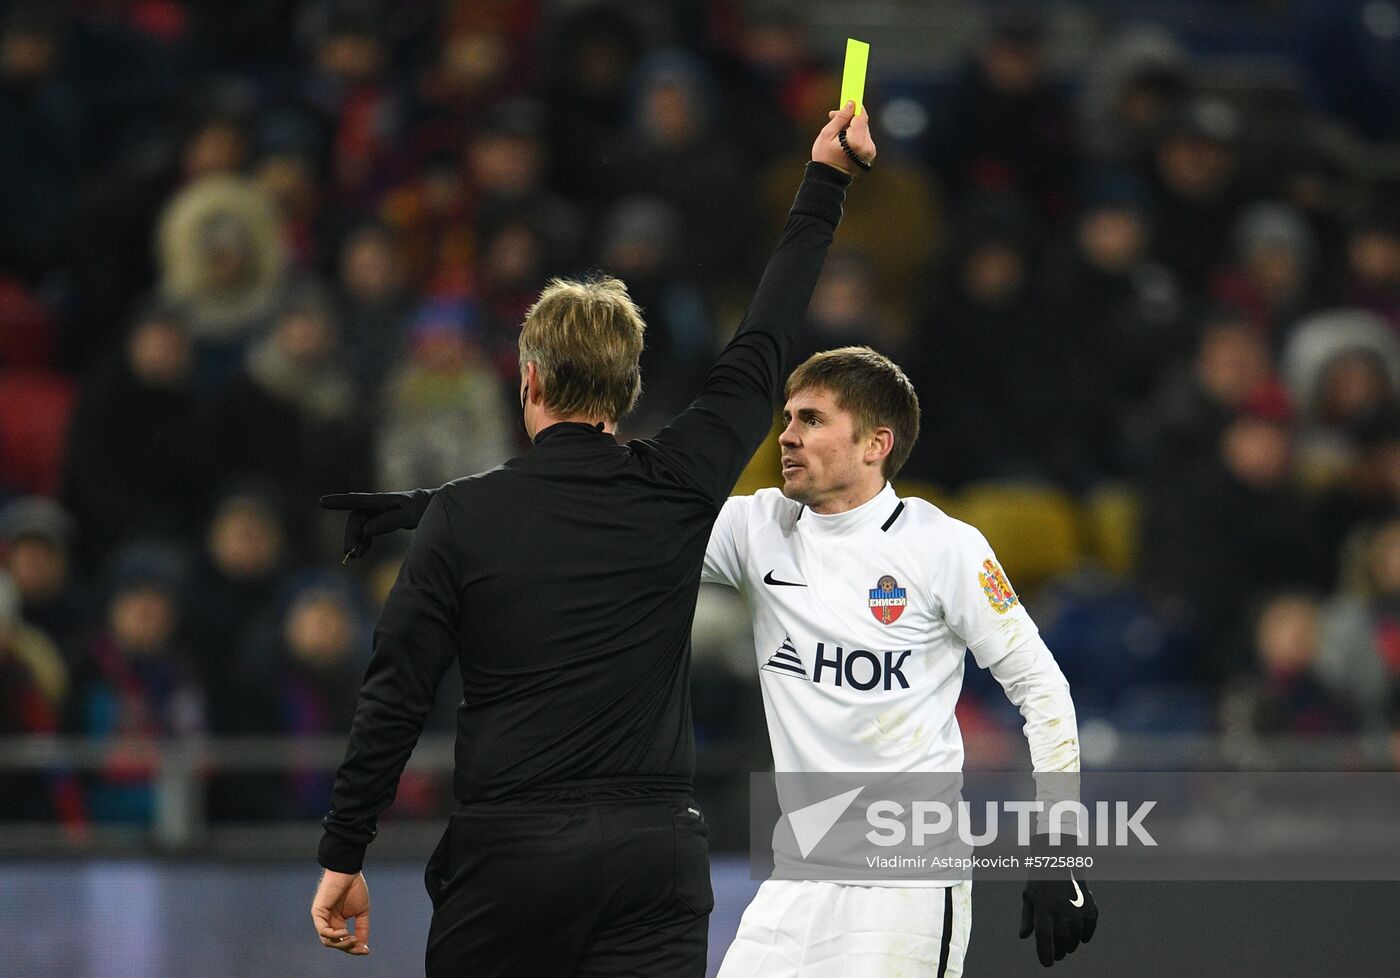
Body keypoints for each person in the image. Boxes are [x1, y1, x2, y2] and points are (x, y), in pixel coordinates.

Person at [309, 103, 875, 976]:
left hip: (508, 864)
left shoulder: (467, 517)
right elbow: (764, 343)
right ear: (629, 385)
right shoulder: (677, 485)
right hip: (652, 857)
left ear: (528, 378)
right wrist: (824, 182)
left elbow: (394, 699)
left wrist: (345, 852)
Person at [330, 348, 1098, 973]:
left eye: (811, 419)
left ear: (875, 443)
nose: (786, 434)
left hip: (903, 883)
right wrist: (422, 509)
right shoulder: (758, 528)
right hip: (798, 876)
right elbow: (601, 508)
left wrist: (1057, 852)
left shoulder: (945, 549)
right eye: (786, 416)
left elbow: (1043, 691)